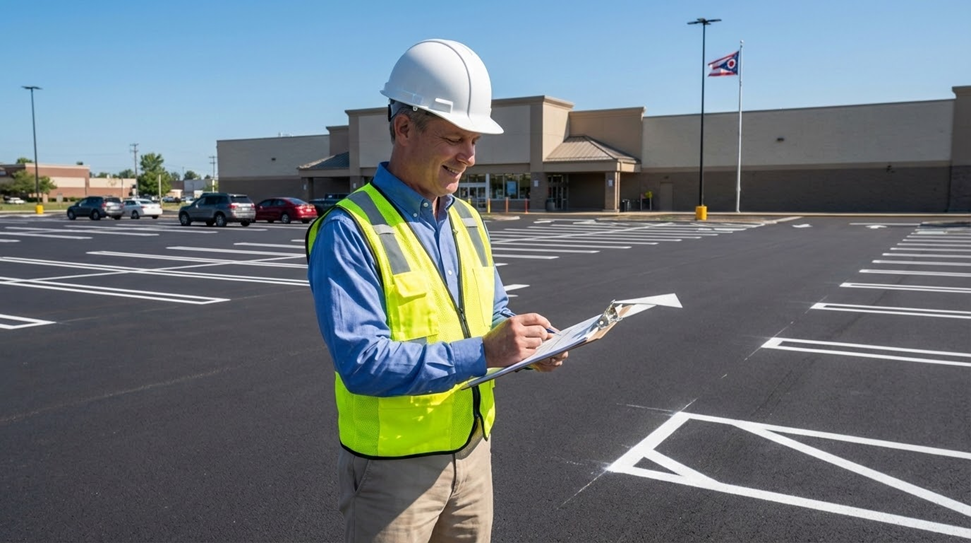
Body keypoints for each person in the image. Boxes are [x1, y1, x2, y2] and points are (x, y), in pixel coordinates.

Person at [306, 39, 567, 542]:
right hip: (393, 474)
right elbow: (361, 362)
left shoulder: (467, 220)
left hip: (473, 453)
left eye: (475, 141)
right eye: (454, 139)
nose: (468, 156)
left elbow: (492, 313)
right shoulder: (349, 228)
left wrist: (528, 347)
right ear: (403, 129)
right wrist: (485, 352)